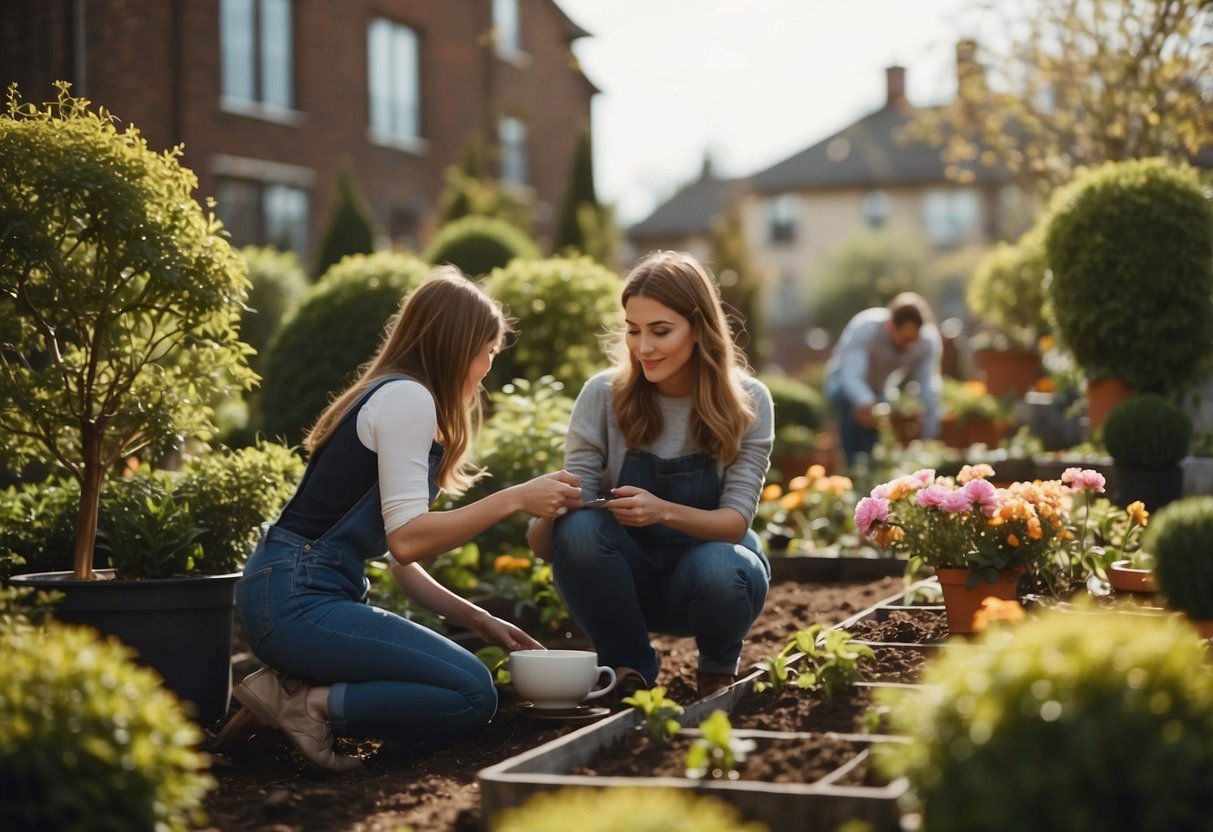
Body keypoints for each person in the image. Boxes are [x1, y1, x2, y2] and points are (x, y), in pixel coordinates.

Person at [225, 268, 583, 771]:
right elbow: (411, 540)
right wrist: (515, 498)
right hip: (296, 600)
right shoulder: (406, 399)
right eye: (489, 352)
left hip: (292, 592)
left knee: (465, 685)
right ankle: (306, 705)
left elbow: (399, 560)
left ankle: (290, 694)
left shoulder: (400, 397)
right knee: (471, 693)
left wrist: (479, 618)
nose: (486, 367)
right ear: (458, 347)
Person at [528, 250, 774, 699]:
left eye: (660, 331)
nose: (643, 347)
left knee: (724, 564)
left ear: (699, 328)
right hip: (624, 582)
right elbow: (546, 546)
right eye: (633, 330)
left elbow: (736, 522)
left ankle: (717, 665)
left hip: (705, 582)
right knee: (580, 527)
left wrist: (660, 511)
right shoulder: (603, 396)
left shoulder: (749, 401)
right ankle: (629, 671)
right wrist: (549, 512)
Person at [823, 292, 942, 466]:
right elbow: (852, 376)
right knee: (853, 411)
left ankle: (874, 469)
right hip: (843, 382)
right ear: (889, 326)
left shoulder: (928, 340)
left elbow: (928, 384)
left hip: (881, 388)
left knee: (878, 435)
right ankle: (853, 467)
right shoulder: (866, 327)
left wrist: (930, 433)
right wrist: (866, 402)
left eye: (913, 339)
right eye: (905, 338)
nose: (909, 345)